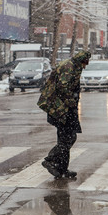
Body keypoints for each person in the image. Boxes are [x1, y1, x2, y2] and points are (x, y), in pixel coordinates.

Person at [37, 50, 91, 179]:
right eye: (85, 63)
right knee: (68, 138)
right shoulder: (69, 67)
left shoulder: (74, 66)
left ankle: (62, 169)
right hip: (60, 108)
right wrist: (71, 102)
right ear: (82, 60)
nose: (85, 66)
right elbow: (63, 87)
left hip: (64, 108)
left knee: (65, 138)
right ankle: (50, 160)